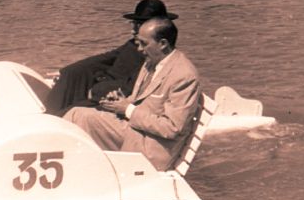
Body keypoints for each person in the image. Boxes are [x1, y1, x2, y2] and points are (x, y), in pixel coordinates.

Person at [63, 16, 201, 171]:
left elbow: (172, 128)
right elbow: (139, 100)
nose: (139, 49)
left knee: (77, 117)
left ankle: (66, 170)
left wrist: (128, 109)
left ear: (163, 44)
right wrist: (122, 101)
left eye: (144, 44)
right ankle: (65, 167)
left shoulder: (183, 75)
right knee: (77, 114)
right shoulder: (151, 62)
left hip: (151, 146)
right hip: (136, 131)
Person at [45, 0, 178, 117]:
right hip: (106, 83)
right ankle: (47, 116)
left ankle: (55, 123)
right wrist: (67, 70)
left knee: (71, 111)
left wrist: (98, 88)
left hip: (114, 94)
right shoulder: (133, 44)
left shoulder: (154, 54)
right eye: (134, 24)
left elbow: (136, 86)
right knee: (71, 74)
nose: (133, 30)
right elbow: (108, 57)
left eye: (138, 25)